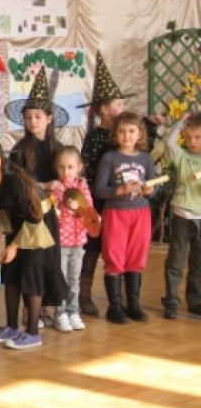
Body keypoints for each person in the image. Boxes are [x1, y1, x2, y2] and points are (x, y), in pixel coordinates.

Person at [0, 97, 66, 350]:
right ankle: (12, 327)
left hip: (38, 224)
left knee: (31, 274)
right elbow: (4, 208)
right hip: (18, 223)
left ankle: (33, 332)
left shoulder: (14, 181)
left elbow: (34, 216)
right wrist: (1, 231)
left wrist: (14, 246)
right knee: (11, 273)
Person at [78, 51, 159, 317]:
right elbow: (88, 169)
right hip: (100, 200)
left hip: (129, 204)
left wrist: (152, 126)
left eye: (123, 104)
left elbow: (144, 160)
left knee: (130, 251)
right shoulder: (96, 138)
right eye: (117, 104)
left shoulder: (133, 144)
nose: (121, 108)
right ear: (104, 109)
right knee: (95, 248)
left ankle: (127, 301)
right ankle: (85, 295)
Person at [5, 65, 66, 328]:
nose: (32, 121)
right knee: (24, 264)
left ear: (49, 118)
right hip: (24, 216)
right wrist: (45, 184)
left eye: (38, 116)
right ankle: (26, 314)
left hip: (47, 215)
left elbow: (66, 179)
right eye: (28, 117)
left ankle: (42, 312)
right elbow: (17, 184)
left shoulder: (58, 149)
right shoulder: (19, 150)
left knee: (43, 262)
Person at [94, 112, 156, 324]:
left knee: (136, 257)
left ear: (140, 134)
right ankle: (114, 307)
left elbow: (153, 185)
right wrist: (119, 190)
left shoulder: (146, 158)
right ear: (115, 134)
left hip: (141, 213)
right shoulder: (109, 158)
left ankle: (133, 305)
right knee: (115, 257)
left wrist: (150, 191)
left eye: (131, 131)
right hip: (115, 213)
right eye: (121, 131)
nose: (126, 136)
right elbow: (99, 190)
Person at [50, 146, 95, 332]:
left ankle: (73, 311)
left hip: (78, 241)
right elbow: (51, 211)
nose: (66, 171)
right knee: (61, 279)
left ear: (79, 167)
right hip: (61, 242)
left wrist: (79, 207)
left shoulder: (83, 187)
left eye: (70, 167)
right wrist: (61, 208)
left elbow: (90, 212)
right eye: (61, 167)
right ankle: (60, 314)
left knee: (74, 279)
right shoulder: (56, 188)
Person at [161, 113, 201, 318]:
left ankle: (195, 301)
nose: (192, 142)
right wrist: (181, 122)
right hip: (182, 216)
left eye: (198, 137)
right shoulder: (182, 156)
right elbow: (169, 143)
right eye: (189, 137)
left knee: (198, 263)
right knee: (176, 261)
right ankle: (171, 300)